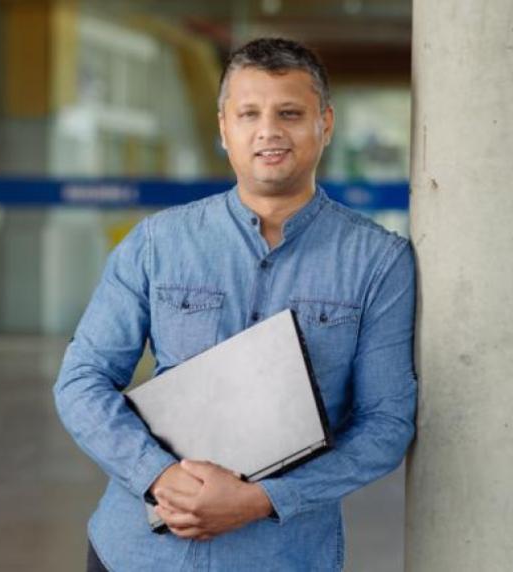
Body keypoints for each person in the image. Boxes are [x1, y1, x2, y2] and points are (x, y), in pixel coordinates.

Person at [54, 37, 417, 571]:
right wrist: (158, 476)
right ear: (224, 127)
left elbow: (386, 422)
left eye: (290, 113)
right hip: (137, 553)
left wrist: (264, 500)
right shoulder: (157, 242)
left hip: (283, 555)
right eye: (249, 113)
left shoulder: (379, 261)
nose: (268, 130)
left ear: (326, 123)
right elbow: (81, 380)